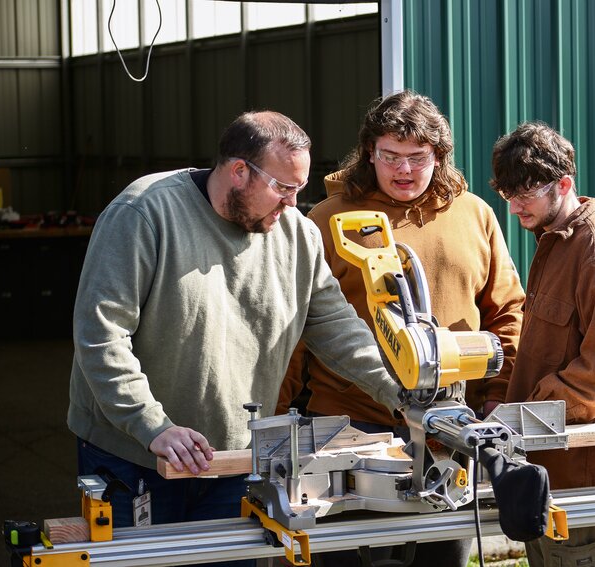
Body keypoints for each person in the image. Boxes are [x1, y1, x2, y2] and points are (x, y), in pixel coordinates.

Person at [68, 111, 402, 567]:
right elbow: (100, 336)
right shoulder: (144, 213)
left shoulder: (297, 236)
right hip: (136, 459)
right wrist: (153, 426)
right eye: (282, 189)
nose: (291, 203)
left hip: (232, 460)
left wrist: (400, 390)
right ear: (239, 170)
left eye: (298, 191)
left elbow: (335, 326)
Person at [277, 90, 525, 567]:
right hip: (346, 431)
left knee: (442, 559)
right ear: (369, 153)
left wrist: (497, 393)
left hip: (449, 432)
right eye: (390, 156)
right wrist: (275, 414)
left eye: (418, 157)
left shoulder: (474, 215)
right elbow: (293, 327)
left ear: (440, 155)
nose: (404, 170)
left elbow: (507, 312)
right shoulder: (328, 220)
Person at [490, 122, 595, 567]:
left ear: (564, 184)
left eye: (524, 196)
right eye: (508, 196)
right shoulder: (554, 241)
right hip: (548, 466)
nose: (514, 209)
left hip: (584, 470)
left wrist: (528, 413)